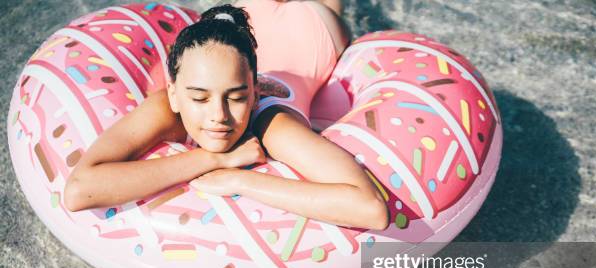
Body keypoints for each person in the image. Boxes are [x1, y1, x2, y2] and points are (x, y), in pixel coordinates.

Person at [64, 1, 389, 230]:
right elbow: (79, 190)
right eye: (199, 98)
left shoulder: (272, 123)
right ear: (174, 92)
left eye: (235, 97)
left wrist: (241, 179)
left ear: (255, 92)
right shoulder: (168, 105)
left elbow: (369, 209)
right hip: (251, 13)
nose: (217, 115)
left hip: (315, 25)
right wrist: (212, 159)